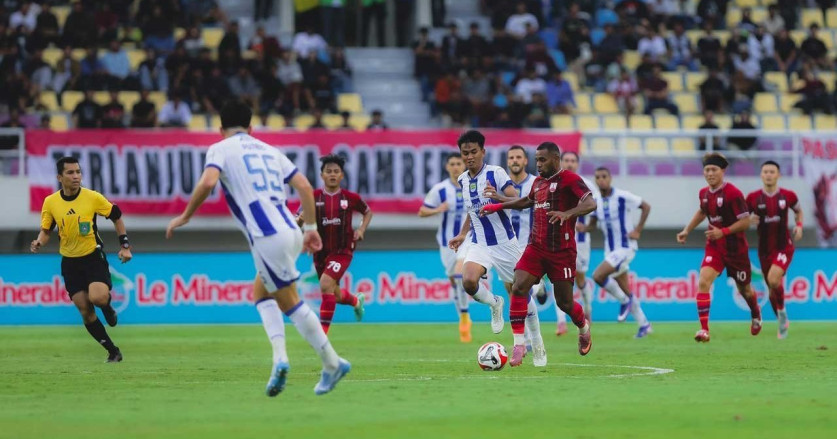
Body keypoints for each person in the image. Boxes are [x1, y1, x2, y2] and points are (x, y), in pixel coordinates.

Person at [165, 101, 350, 397]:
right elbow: (303, 186)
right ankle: (280, 359)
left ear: (220, 129)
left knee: (290, 302)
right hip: (290, 228)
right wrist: (311, 229)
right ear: (251, 128)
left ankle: (331, 363)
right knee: (261, 292)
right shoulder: (269, 150)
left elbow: (208, 181)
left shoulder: (221, 148)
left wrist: (186, 215)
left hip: (267, 235)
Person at [480, 142, 596, 366]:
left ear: (556, 158)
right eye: (537, 160)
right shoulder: (538, 182)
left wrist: (567, 213)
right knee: (519, 286)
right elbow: (525, 202)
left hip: (561, 252)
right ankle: (519, 344)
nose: (539, 164)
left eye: (543, 160)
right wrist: (497, 205)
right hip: (536, 247)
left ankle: (583, 328)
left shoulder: (570, 179)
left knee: (565, 303)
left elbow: (590, 203)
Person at [448, 131, 547, 367]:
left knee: (522, 294)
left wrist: (497, 198)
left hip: (505, 244)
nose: (469, 157)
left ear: (483, 151)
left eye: (473, 152)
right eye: (465, 153)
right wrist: (463, 234)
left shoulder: (496, 173)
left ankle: (538, 343)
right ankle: (495, 304)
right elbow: (472, 211)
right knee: (469, 281)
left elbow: (515, 201)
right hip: (479, 242)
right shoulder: (463, 180)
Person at [31, 157, 132, 363]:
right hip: (70, 263)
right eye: (70, 173)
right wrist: (39, 242)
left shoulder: (92, 197)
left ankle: (108, 308)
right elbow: (47, 230)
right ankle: (113, 351)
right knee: (85, 311)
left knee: (98, 298)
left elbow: (117, 216)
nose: (76, 176)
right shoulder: (50, 202)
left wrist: (125, 246)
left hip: (93, 257)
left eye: (78, 172)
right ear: (60, 177)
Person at [676, 153, 763, 342]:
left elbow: (746, 222)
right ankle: (704, 329)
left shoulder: (733, 193)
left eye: (714, 169)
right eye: (706, 170)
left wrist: (723, 232)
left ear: (723, 171)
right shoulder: (704, 194)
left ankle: (756, 314)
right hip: (715, 246)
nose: (710, 173)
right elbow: (702, 211)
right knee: (703, 282)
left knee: (745, 290)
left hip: (736, 249)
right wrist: (687, 230)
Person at [299, 154, 372, 334]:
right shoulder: (312, 197)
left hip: (343, 250)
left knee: (325, 284)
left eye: (336, 172)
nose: (332, 174)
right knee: (334, 293)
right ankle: (356, 301)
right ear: (322, 175)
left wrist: (361, 230)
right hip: (320, 252)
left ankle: (322, 335)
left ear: (342, 176)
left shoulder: (350, 198)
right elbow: (297, 220)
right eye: (328, 171)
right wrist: (299, 224)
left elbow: (368, 212)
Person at [578, 167, 653, 338]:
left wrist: (638, 230)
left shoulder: (622, 196)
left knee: (598, 276)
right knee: (626, 289)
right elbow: (593, 225)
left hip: (626, 247)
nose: (601, 180)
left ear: (610, 178)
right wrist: (583, 228)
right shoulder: (596, 201)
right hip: (610, 251)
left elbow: (646, 206)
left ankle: (624, 302)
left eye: (604, 176)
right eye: (598, 177)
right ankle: (644, 324)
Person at [418, 153, 472, 342]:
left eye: (459, 163)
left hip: (468, 240)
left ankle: (465, 318)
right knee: (454, 280)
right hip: (446, 243)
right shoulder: (440, 189)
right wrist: (437, 209)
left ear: (464, 166)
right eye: (452, 164)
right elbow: (422, 211)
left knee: (460, 273)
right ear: (447, 167)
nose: (456, 167)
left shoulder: (471, 186)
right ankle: (462, 316)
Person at [746, 161, 803, 339]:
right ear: (761, 175)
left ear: (778, 175)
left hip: (783, 246)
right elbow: (741, 218)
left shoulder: (788, 196)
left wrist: (799, 225)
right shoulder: (753, 198)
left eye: (772, 171)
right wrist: (748, 221)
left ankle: (783, 314)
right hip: (764, 250)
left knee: (773, 278)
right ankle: (781, 319)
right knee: (772, 288)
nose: (769, 174)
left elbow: (798, 211)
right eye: (765, 172)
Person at [506, 146, 553, 339]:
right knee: (512, 291)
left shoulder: (537, 182)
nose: (515, 160)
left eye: (519, 157)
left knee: (519, 287)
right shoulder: (502, 184)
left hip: (531, 244)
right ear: (507, 161)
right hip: (507, 246)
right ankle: (523, 336)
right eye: (511, 158)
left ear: (526, 161)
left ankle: (524, 340)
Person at [559, 152, 599, 323]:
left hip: (580, 241)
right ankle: (561, 322)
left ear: (577, 164)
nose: (570, 164)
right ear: (561, 162)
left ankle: (588, 310)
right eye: (566, 160)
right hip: (559, 239)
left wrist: (588, 227)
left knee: (580, 278)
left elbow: (597, 211)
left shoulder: (587, 184)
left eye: (573, 161)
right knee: (558, 279)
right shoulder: (555, 183)